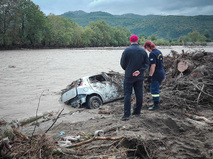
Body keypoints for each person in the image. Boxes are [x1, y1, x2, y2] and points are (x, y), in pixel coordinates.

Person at [120, 35, 149, 121]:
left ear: (130, 41)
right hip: (139, 76)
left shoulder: (127, 50)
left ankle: (126, 115)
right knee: (139, 93)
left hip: (129, 76)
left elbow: (122, 64)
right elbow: (146, 64)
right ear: (137, 41)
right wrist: (139, 71)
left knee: (127, 94)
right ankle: (137, 111)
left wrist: (129, 69)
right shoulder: (143, 51)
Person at [143, 41, 165, 110]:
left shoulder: (152, 54)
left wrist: (150, 76)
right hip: (161, 72)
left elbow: (153, 65)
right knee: (156, 89)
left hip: (156, 74)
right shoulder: (159, 52)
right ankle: (156, 102)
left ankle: (156, 105)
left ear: (148, 47)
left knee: (154, 89)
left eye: (146, 48)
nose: (147, 50)